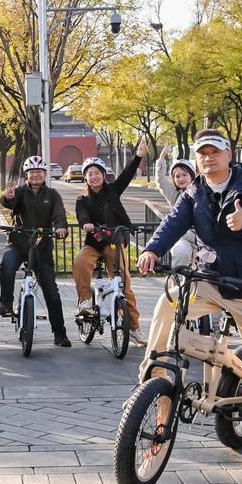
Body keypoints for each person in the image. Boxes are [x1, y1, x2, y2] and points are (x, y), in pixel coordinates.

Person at [136, 128, 242, 478]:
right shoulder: (195, 191)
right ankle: (154, 373)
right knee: (169, 301)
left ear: (229, 155)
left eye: (214, 151)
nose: (208, 158)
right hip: (211, 281)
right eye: (201, 153)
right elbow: (173, 223)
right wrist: (152, 249)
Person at [74, 140, 147, 343]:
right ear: (85, 178)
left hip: (114, 241)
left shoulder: (113, 190)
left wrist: (138, 156)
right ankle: (86, 301)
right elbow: (81, 214)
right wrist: (86, 223)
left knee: (124, 284)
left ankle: (133, 327)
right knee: (80, 261)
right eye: (89, 173)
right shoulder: (83, 199)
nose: (94, 176)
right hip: (93, 242)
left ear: (103, 175)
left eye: (97, 173)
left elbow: (127, 174)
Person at [0, 156, 70, 346]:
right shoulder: (20, 192)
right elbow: (7, 202)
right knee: (6, 264)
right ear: (27, 175)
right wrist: (7, 197)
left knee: (51, 291)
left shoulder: (53, 195)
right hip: (18, 242)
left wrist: (61, 227)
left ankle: (59, 333)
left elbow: (59, 214)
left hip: (41, 246)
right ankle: (6, 303)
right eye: (32, 172)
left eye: (39, 172)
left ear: (45, 174)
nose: (36, 175)